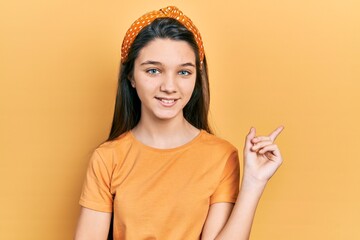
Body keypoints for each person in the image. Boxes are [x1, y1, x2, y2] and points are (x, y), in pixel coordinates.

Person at [75, 6, 284, 240]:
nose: (169, 86)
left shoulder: (221, 156)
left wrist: (254, 184)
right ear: (131, 76)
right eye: (153, 70)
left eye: (184, 72)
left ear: (197, 76)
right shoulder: (107, 158)